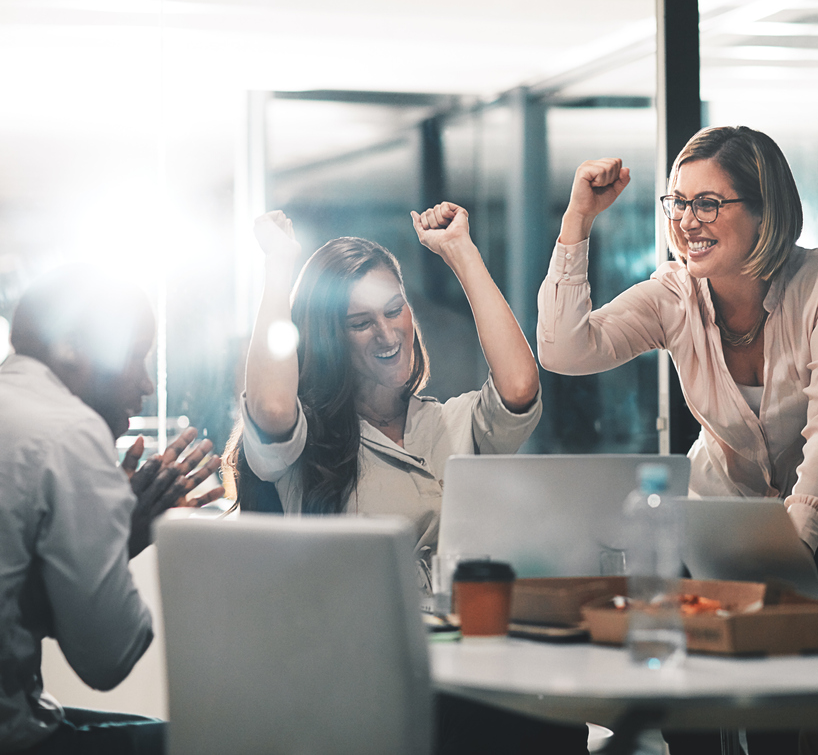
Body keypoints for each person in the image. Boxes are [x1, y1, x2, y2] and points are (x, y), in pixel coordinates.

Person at [540, 126, 818, 597]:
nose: (688, 221)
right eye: (679, 202)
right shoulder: (673, 296)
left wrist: (786, 554)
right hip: (726, 523)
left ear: (764, 212)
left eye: (708, 203)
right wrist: (577, 220)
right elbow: (563, 351)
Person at [222, 204, 542, 587]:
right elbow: (272, 406)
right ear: (329, 338)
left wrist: (460, 250)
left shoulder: (451, 422)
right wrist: (278, 266)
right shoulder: (305, 439)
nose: (387, 335)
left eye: (394, 311)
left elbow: (520, 385)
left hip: (465, 639)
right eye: (360, 323)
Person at [0, 267, 223, 755]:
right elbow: (109, 659)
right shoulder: (70, 432)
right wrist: (125, 535)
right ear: (73, 346)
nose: (145, 382)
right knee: (213, 741)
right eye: (135, 355)